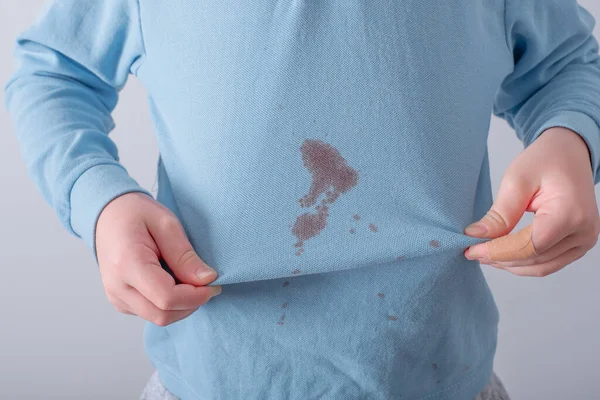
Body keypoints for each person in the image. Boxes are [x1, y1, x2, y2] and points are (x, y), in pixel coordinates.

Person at [4, 1, 600, 399]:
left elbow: (566, 64)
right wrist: (99, 199)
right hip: (209, 383)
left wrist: (570, 137)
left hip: (442, 379)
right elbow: (56, 72)